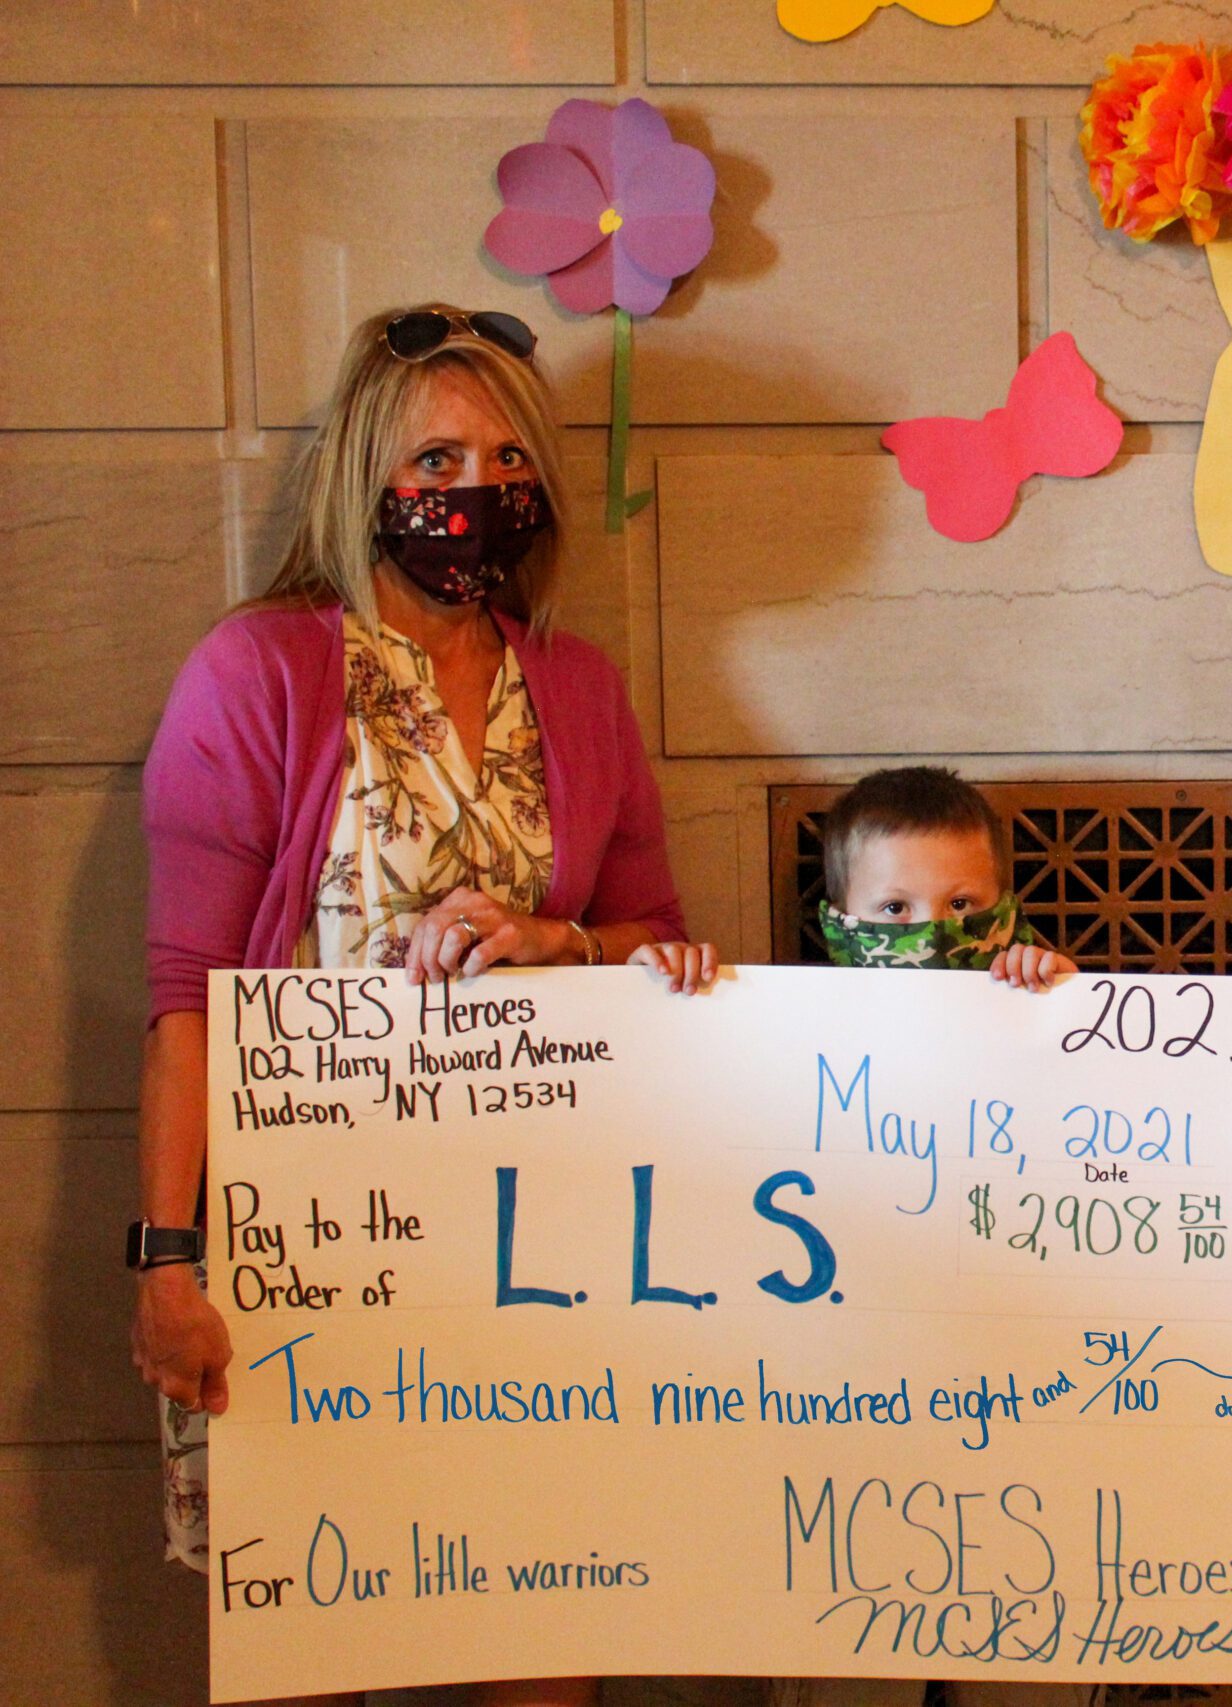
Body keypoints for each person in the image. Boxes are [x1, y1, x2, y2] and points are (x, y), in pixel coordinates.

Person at [130, 304, 716, 1707]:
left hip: (537, 1256)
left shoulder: (574, 686)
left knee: (540, 1648)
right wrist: (160, 1259)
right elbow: (183, 1001)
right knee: (312, 1642)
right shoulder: (257, 673)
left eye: (508, 456)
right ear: (362, 476)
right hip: (300, 1255)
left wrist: (553, 933)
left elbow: (661, 941)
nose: (475, 491)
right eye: (436, 458)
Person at [778, 765, 1085, 1707]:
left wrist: (1070, 1009)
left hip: (1029, 1413)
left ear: (1005, 908)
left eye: (962, 903)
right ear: (839, 919)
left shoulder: (1049, 1007)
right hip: (848, 1422)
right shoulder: (787, 1035)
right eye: (897, 906)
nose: (933, 931)